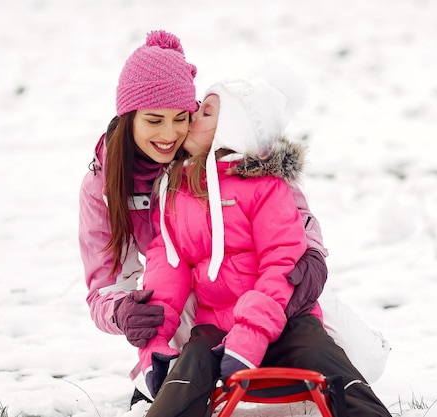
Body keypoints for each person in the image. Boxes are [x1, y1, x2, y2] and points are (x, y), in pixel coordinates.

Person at [78, 30, 340, 405]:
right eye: (154, 121)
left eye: (181, 117)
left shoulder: (210, 147)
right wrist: (121, 311)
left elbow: (288, 211)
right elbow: (102, 284)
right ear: (128, 117)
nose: (170, 134)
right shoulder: (102, 186)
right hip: (180, 311)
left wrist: (312, 255)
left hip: (253, 293)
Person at [139, 76, 392, 417]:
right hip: (215, 327)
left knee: (324, 356)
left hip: (284, 321)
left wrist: (252, 334)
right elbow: (167, 267)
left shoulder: (265, 186)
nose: (193, 115)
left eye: (207, 112)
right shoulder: (178, 190)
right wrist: (154, 341)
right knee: (192, 360)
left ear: (233, 128)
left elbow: (281, 262)